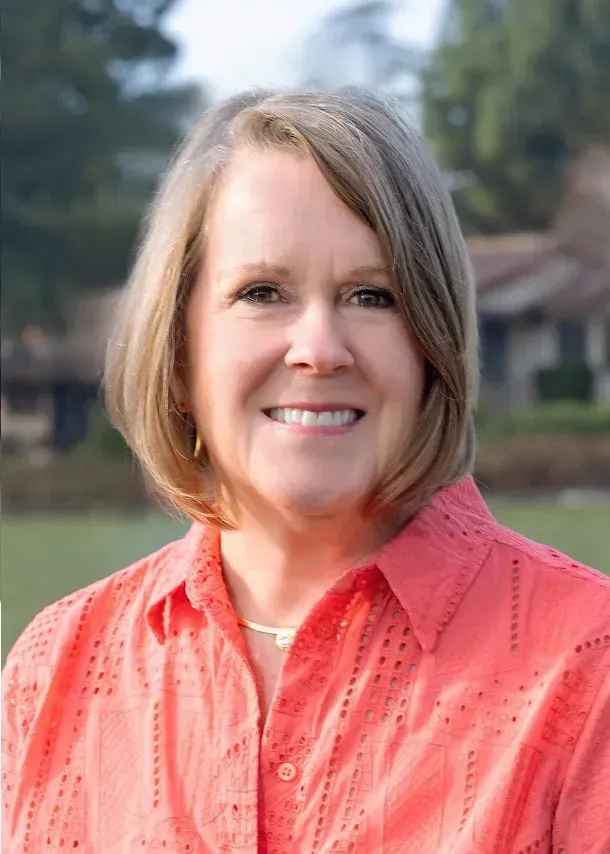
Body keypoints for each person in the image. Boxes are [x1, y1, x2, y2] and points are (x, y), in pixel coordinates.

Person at [3, 88, 609, 854]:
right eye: (263, 293)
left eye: (372, 295)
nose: (319, 348)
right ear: (181, 352)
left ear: (432, 346)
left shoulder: (590, 668)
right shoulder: (57, 667)